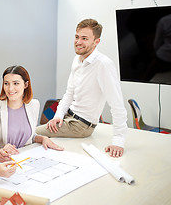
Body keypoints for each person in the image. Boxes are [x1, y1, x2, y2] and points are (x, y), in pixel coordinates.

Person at [36, 19, 128, 158]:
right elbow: (69, 93)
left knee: (32, 133)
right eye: (77, 37)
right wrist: (58, 115)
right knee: (30, 124)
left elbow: (117, 105)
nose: (78, 42)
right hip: (68, 114)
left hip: (80, 125)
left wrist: (118, 141)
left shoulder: (103, 64)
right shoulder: (77, 60)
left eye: (84, 38)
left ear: (96, 41)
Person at [0, 65, 64, 152]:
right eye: (6, 83)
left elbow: (27, 136)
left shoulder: (34, 105)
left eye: (16, 83)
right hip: (1, 161)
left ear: (26, 84)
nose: (10, 89)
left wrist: (43, 138)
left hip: (25, 157)